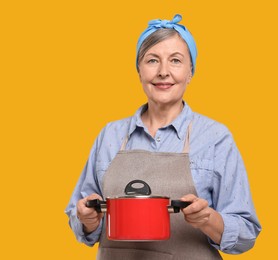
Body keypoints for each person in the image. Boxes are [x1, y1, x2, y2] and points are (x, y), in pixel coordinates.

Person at [65, 14, 261, 259]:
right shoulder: (110, 136)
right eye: (152, 60)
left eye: (176, 61)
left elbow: (246, 233)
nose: (163, 72)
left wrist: (208, 219)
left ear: (191, 72)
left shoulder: (216, 138)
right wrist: (86, 219)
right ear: (139, 70)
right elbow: (80, 220)